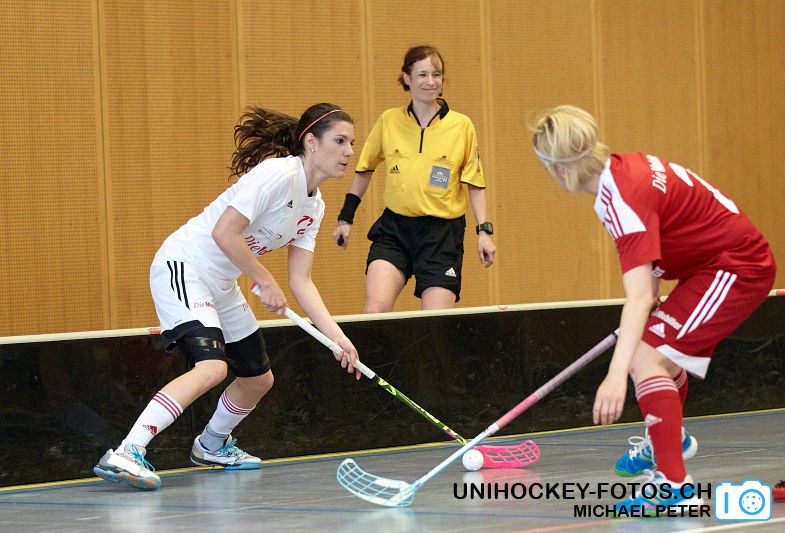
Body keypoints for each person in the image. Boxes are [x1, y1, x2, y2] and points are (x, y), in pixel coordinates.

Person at [93, 103, 361, 490]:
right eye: (340, 141)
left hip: (221, 284)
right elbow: (225, 232)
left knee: (257, 378)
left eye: (352, 142)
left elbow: (301, 280)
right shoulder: (277, 174)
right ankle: (127, 450)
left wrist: (337, 337)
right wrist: (264, 280)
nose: (350, 151)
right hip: (184, 266)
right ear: (311, 142)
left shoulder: (314, 206)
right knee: (213, 368)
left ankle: (211, 445)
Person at [531, 105, 776, 514]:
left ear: (558, 168)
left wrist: (613, 376)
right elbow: (659, 246)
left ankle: (674, 487)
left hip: (735, 267)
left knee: (643, 360)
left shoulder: (621, 197)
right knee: (652, 356)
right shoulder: (625, 169)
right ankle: (669, 436)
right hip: (708, 268)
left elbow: (639, 296)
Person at [332, 45, 496, 312]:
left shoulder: (462, 125)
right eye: (422, 75)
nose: (430, 82)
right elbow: (365, 169)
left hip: (442, 236)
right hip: (395, 230)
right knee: (374, 312)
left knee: (434, 324)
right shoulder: (389, 121)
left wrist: (484, 232)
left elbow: (474, 182)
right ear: (407, 78)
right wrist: (345, 219)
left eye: (436, 74)